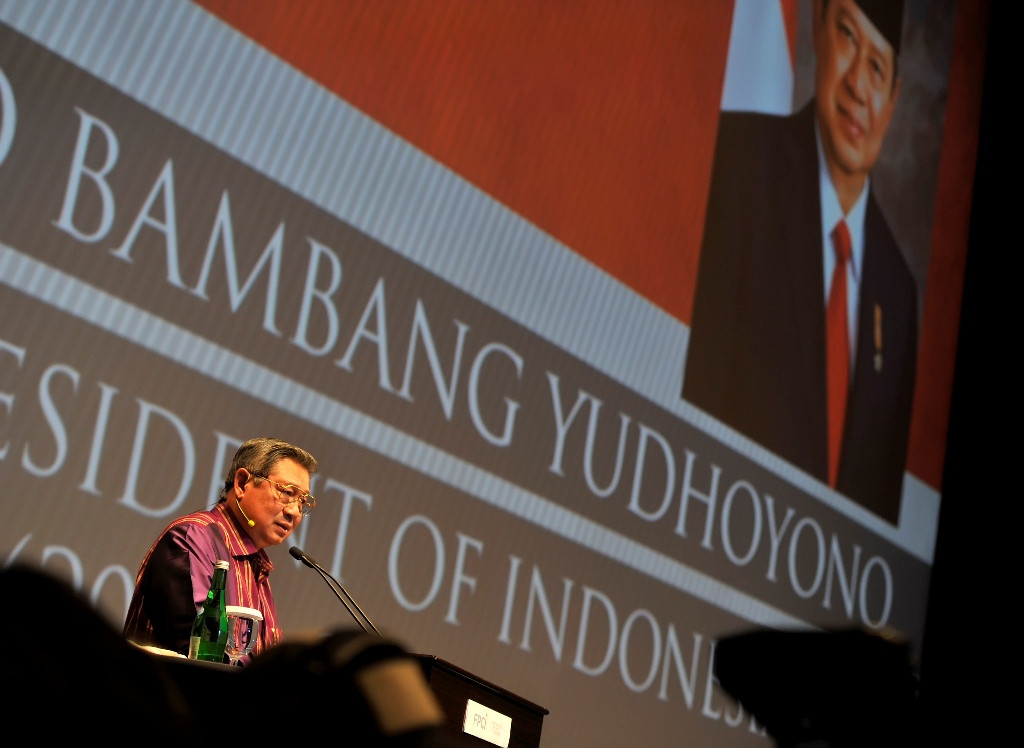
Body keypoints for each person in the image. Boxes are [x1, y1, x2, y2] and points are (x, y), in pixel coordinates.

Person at [682, 0, 917, 524]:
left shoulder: (899, 295)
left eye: (878, 68)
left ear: (894, 98)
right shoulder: (740, 169)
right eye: (848, 36)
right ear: (817, 26)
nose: (858, 84)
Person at [123, 436, 319, 665]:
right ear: (242, 483)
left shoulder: (257, 566)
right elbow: (204, 656)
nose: (295, 511)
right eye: (287, 492)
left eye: (302, 501)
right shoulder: (192, 539)